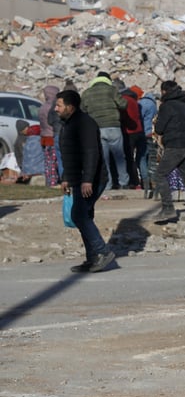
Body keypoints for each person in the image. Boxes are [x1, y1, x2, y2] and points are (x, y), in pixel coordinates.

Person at [55, 89, 116, 273]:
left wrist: (88, 180)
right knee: (83, 215)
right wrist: (66, 178)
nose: (56, 109)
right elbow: (70, 156)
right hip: (78, 178)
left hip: (92, 179)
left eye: (59, 105)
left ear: (70, 107)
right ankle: (93, 258)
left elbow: (91, 153)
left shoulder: (84, 123)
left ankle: (102, 252)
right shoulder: (68, 124)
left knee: (79, 215)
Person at [152, 79, 185, 225]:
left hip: (175, 145)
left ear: (164, 91)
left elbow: (159, 129)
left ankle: (168, 208)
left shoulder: (166, 106)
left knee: (160, 174)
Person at [81, 71, 130, 190]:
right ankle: (123, 183)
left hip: (97, 129)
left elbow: (82, 110)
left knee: (104, 159)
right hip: (113, 126)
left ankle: (107, 184)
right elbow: (123, 104)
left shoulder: (86, 93)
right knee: (119, 157)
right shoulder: (112, 90)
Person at [118, 87, 145, 189]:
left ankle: (132, 181)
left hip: (129, 132)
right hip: (139, 130)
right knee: (139, 158)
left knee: (128, 158)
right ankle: (142, 181)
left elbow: (123, 116)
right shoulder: (134, 101)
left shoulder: (124, 100)